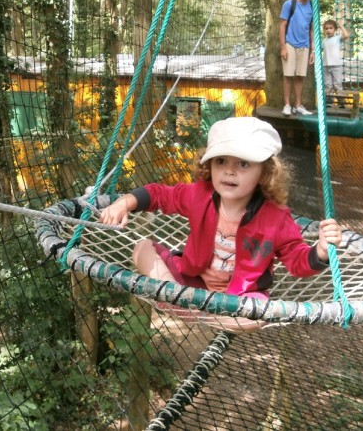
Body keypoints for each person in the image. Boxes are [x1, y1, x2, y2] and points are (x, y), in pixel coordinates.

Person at [100, 117, 342, 332]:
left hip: (238, 296)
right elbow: (160, 194)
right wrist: (126, 202)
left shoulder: (275, 218)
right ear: (210, 165)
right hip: (191, 282)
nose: (229, 171)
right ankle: (172, 293)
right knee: (142, 247)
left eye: (243, 164)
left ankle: (195, 311)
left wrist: (320, 251)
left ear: (265, 172)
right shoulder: (199, 195)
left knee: (258, 314)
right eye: (221, 161)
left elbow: (296, 260)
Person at [279, 0, 315, 117]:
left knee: (300, 76)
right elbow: (282, 26)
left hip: (305, 45)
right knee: (288, 75)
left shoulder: (312, 6)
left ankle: (297, 106)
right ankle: (287, 105)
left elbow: (312, 30)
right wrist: (283, 47)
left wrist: (313, 50)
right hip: (290, 43)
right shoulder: (289, 4)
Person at [322, 20, 350, 105]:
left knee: (337, 83)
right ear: (324, 30)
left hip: (336, 65)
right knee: (328, 84)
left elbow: (346, 35)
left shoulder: (337, 38)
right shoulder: (324, 41)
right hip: (326, 65)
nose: (328, 30)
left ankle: (341, 101)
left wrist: (341, 26)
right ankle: (329, 101)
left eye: (331, 28)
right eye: (326, 29)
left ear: (335, 29)